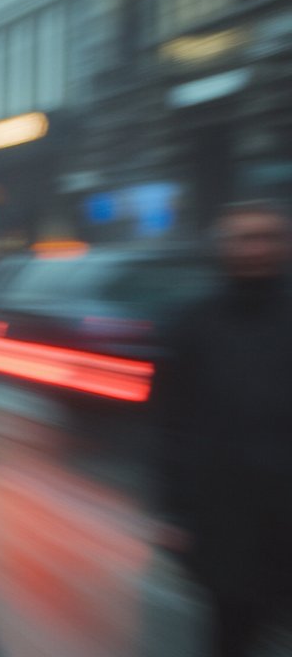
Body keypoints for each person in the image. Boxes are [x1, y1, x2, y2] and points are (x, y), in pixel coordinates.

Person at [153, 199, 292, 657]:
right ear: (223, 247)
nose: (256, 249)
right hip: (225, 522)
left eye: (267, 236)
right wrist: (173, 512)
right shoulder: (193, 324)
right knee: (231, 634)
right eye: (244, 237)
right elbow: (170, 423)